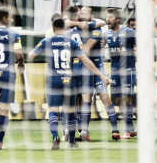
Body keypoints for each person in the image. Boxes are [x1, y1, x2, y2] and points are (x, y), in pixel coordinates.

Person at [28, 17, 111, 150]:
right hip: (68, 81)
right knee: (71, 111)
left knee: (53, 111)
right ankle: (71, 142)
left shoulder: (47, 41)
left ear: (53, 28)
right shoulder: (71, 42)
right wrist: (101, 75)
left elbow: (31, 56)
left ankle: (55, 136)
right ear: (65, 28)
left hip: (53, 81)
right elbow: (86, 61)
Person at [70, 6, 120, 141]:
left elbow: (87, 49)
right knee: (83, 99)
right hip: (83, 69)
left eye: (86, 13)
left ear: (92, 16)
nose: (82, 15)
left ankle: (115, 129)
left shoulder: (96, 29)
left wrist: (74, 48)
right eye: (81, 13)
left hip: (97, 67)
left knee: (104, 97)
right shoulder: (77, 28)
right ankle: (83, 132)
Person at [0, 7, 25, 150]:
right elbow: (19, 54)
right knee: (4, 110)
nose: (11, 20)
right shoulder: (14, 34)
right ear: (4, 19)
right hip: (7, 75)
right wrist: (21, 64)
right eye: (10, 17)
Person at [102, 8, 137, 139]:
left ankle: (126, 130)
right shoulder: (106, 34)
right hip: (114, 71)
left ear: (117, 19)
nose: (107, 19)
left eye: (110, 17)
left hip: (128, 70)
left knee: (127, 98)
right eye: (107, 17)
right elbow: (99, 47)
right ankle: (131, 127)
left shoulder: (129, 32)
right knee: (118, 100)